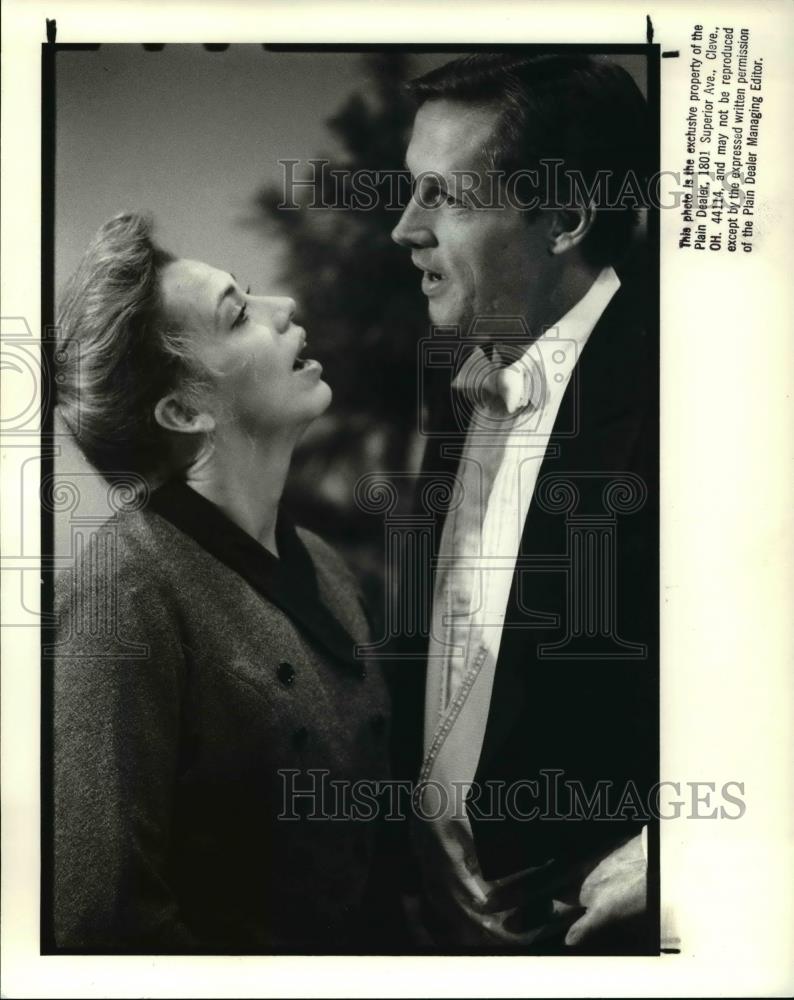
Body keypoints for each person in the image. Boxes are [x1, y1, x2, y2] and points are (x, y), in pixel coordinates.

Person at [50, 212, 395, 952]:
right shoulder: (128, 587)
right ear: (184, 409)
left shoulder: (328, 568)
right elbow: (102, 918)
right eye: (238, 315)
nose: (284, 309)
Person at [389, 53, 657, 953]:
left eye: (442, 195)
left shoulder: (714, 389)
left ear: (567, 217)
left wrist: (684, 850)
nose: (403, 229)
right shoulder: (457, 370)